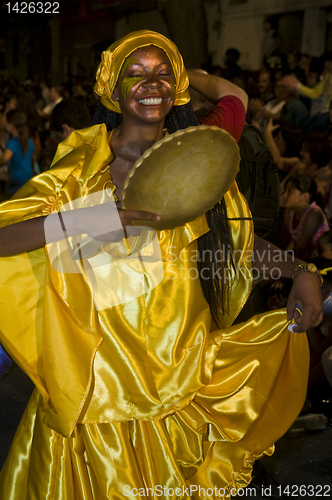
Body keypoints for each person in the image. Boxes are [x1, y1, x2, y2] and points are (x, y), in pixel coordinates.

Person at [0, 30, 323, 499]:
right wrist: (90, 220)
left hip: (182, 389)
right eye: (136, 73)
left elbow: (236, 244)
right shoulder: (76, 175)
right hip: (98, 407)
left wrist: (303, 273)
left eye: (163, 73)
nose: (152, 83)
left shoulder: (194, 164)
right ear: (112, 89)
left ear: (179, 88)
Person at [277, 174, 329, 260]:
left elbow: (300, 248)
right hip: (300, 258)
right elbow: (283, 239)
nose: (285, 195)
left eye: (290, 191)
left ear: (305, 197)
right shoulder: (290, 210)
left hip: (315, 263)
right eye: (286, 190)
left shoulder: (314, 214)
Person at [0, 110, 35, 195]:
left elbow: (5, 158)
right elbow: (32, 160)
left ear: (11, 126)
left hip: (15, 183)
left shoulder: (13, 142)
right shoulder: (30, 141)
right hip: (28, 181)